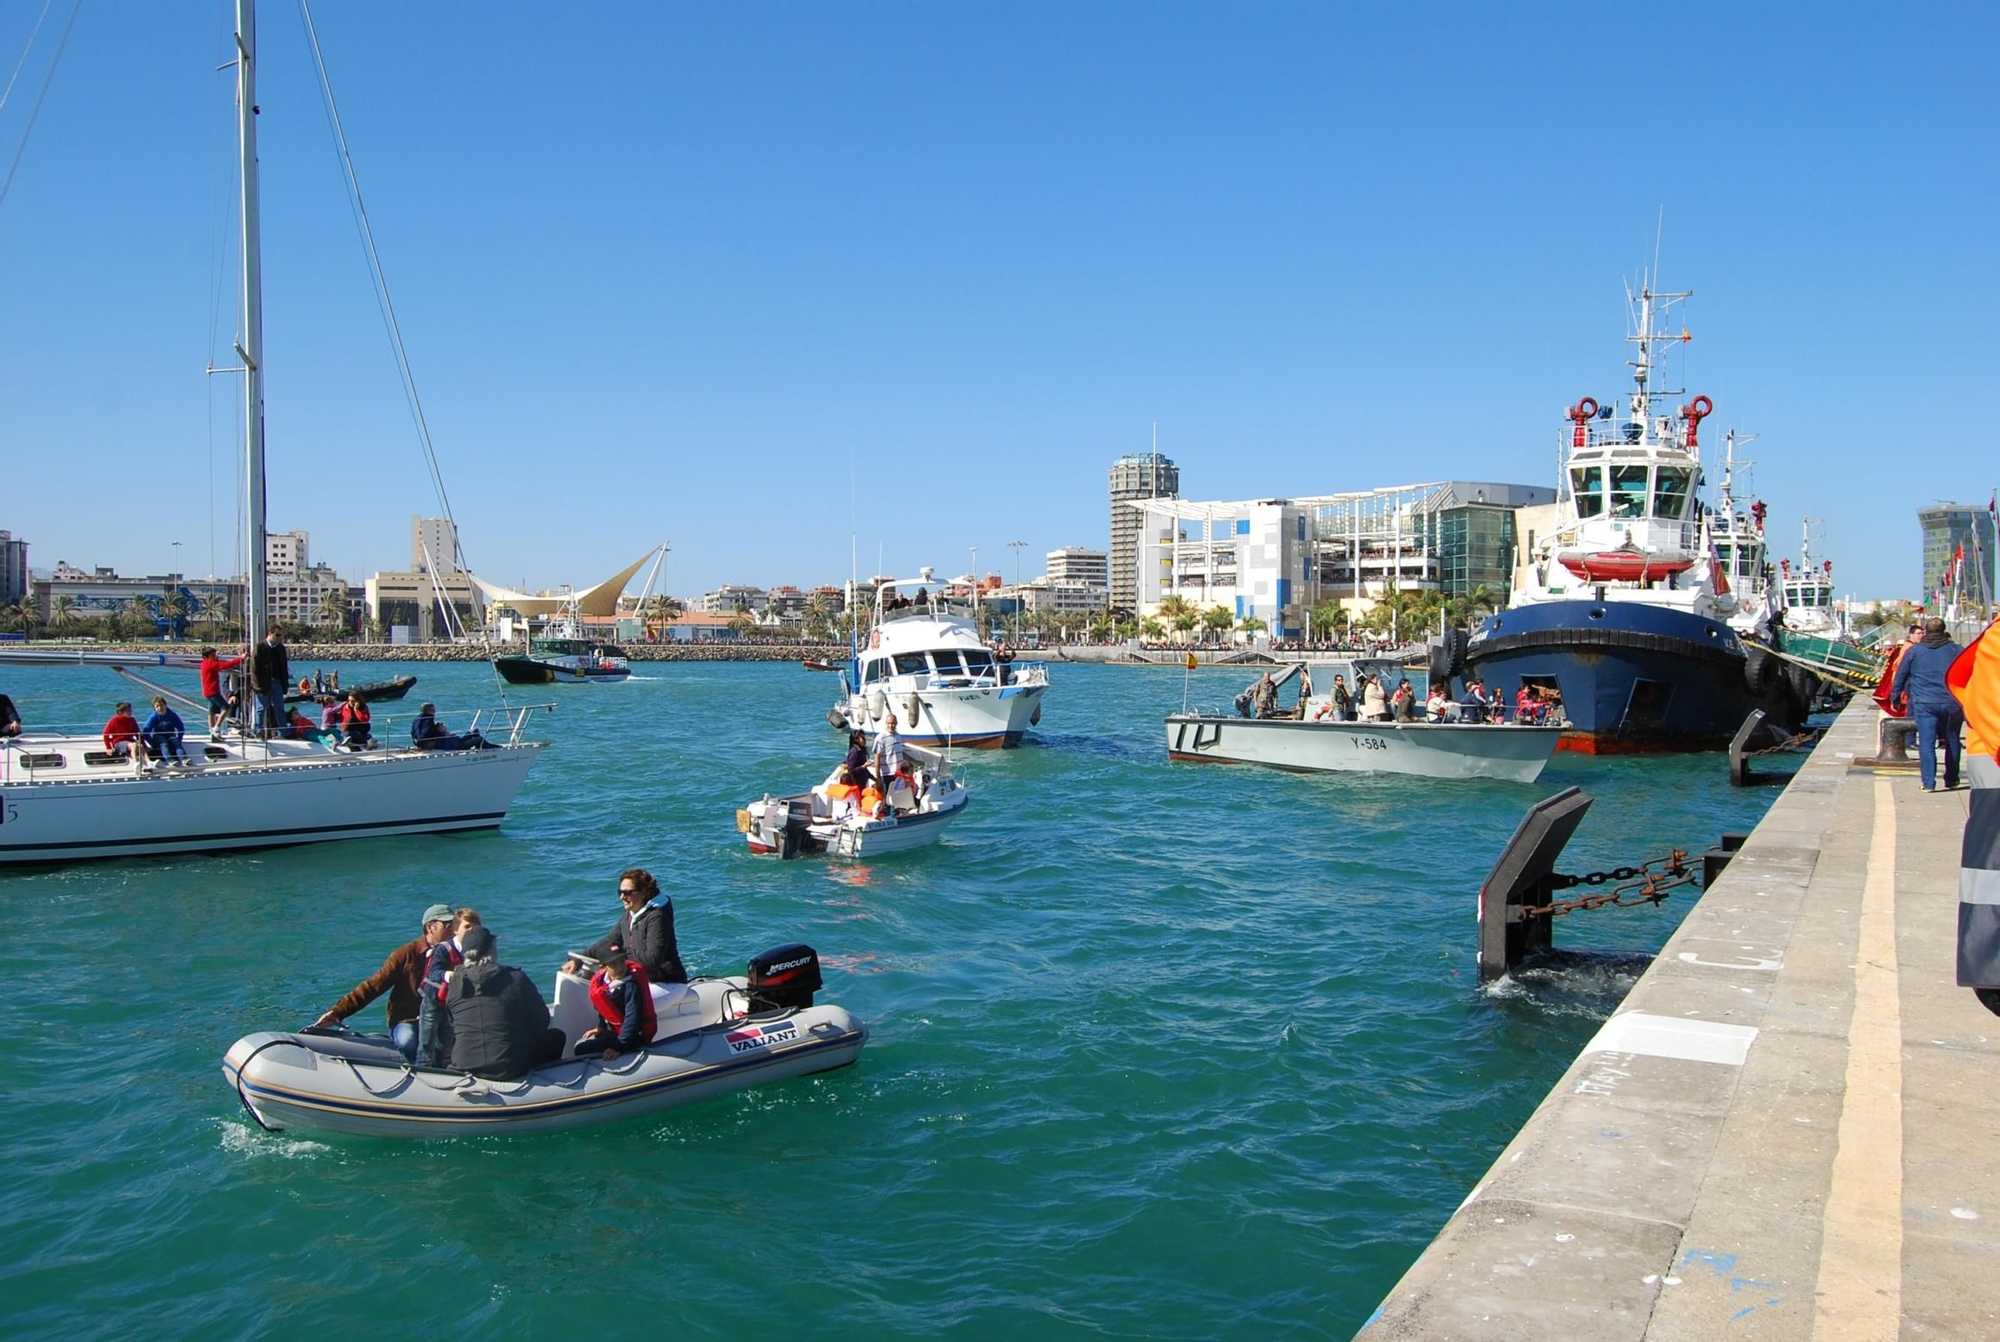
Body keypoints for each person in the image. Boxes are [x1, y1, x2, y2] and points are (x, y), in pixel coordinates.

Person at [313, 903, 457, 1062]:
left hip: (445, 1018)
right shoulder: (406, 955)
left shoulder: (457, 953)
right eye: (447, 925)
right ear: (430, 928)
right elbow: (374, 986)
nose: (454, 930)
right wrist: (338, 1012)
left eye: (455, 925)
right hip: (408, 1019)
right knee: (408, 1041)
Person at [441, 926, 566, 1081]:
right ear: (492, 949)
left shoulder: (455, 985)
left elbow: (453, 1028)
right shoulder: (516, 979)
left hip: (464, 1064)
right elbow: (542, 1021)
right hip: (509, 1066)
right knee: (556, 1037)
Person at [565, 867, 688, 986]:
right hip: (641, 979)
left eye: (627, 893)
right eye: (620, 892)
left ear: (643, 892)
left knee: (616, 997)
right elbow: (609, 941)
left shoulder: (657, 917)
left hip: (666, 982)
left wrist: (620, 954)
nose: (622, 897)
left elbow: (653, 960)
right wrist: (579, 959)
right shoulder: (630, 915)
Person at [1891, 617, 1966, 792]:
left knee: (1926, 743)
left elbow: (1901, 675)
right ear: (1944, 631)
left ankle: (1928, 783)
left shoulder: (1914, 651)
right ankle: (1952, 779)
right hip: (1952, 701)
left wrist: (1895, 698)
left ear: (1926, 631)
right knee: (1952, 739)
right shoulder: (1957, 650)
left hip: (1925, 703)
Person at [418, 907, 480, 1067]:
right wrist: (449, 975)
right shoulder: (443, 949)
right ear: (456, 930)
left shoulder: (474, 951)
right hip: (433, 1001)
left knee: (446, 1044)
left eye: (475, 926)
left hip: (452, 1004)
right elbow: (433, 973)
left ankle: (442, 1070)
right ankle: (422, 1070)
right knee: (427, 1044)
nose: (471, 930)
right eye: (467, 926)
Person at [574, 953, 656, 1061]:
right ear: (603, 967)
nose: (619, 967)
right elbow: (605, 1007)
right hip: (616, 1032)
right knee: (580, 1042)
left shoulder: (630, 985)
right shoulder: (603, 982)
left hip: (633, 1037)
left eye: (622, 962)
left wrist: (618, 1047)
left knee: (580, 1048)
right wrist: (601, 1027)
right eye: (613, 964)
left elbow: (632, 1020)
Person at [250, 628, 290, 737]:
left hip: (277, 682)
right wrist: (256, 685)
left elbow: (284, 666)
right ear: (270, 634)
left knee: (280, 708)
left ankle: (284, 731)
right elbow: (254, 667)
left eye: (281, 635)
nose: (279, 638)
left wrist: (285, 684)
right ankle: (258, 731)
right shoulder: (259, 647)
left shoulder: (281, 648)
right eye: (277, 635)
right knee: (261, 708)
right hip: (263, 683)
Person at [198, 645, 245, 736]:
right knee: (226, 708)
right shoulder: (211, 664)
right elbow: (225, 665)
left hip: (208, 691)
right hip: (213, 691)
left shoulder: (205, 663)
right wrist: (241, 659)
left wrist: (216, 658)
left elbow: (217, 663)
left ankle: (212, 731)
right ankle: (217, 727)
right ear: (206, 657)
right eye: (213, 656)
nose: (215, 657)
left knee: (212, 712)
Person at [410, 702, 486, 751]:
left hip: (455, 741)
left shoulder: (418, 719)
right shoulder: (427, 720)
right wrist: (441, 733)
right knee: (479, 739)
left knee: (474, 731)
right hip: (454, 744)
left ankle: (480, 746)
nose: (434, 712)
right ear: (426, 711)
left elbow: (416, 732)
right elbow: (425, 734)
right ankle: (489, 748)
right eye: (432, 710)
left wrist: (437, 727)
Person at [140, 696, 189, 765]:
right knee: (163, 744)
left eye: (161, 705)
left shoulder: (172, 715)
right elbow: (146, 731)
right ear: (154, 708)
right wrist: (152, 743)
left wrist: (179, 738)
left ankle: (184, 758)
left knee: (176, 742)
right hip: (158, 735)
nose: (160, 708)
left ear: (165, 705)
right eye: (157, 706)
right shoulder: (153, 717)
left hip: (170, 734)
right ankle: (170, 760)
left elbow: (180, 727)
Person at [873, 713, 907, 785]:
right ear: (886, 723)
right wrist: (878, 775)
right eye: (888, 723)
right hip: (887, 774)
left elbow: (900, 754)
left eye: (893, 723)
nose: (890, 726)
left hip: (899, 773)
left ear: (896, 723)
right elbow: (877, 757)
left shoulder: (898, 737)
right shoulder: (881, 738)